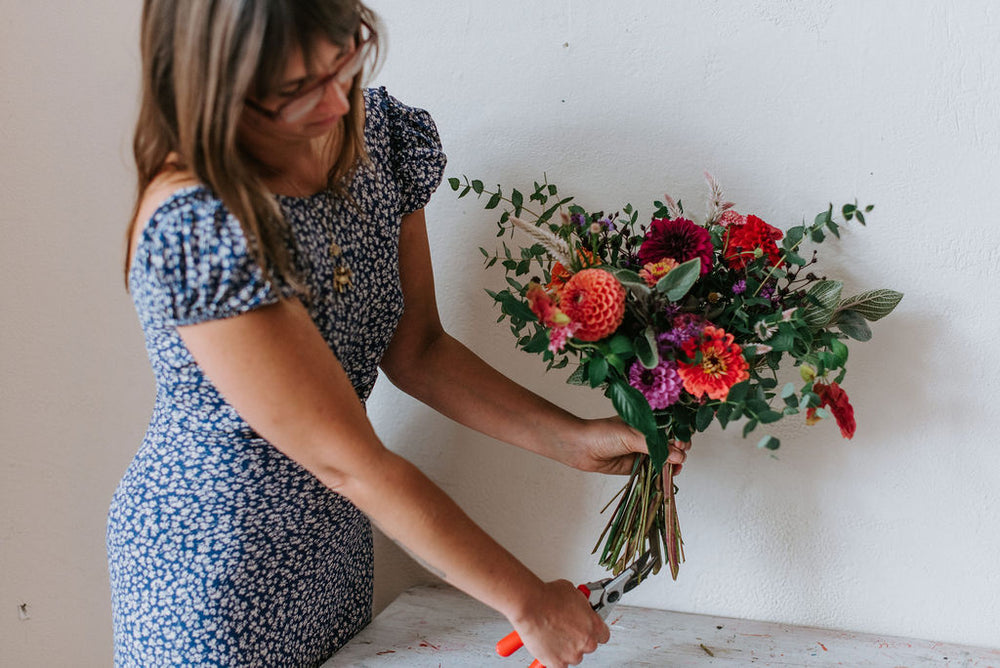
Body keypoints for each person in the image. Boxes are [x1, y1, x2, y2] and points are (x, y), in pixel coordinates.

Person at [107, 1, 691, 666]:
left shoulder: (374, 134)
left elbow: (419, 349)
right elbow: (350, 461)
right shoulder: (201, 224)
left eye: (343, 64)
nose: (333, 102)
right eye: (296, 90)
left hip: (335, 545)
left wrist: (573, 441)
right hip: (213, 574)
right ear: (214, 89)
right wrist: (527, 600)